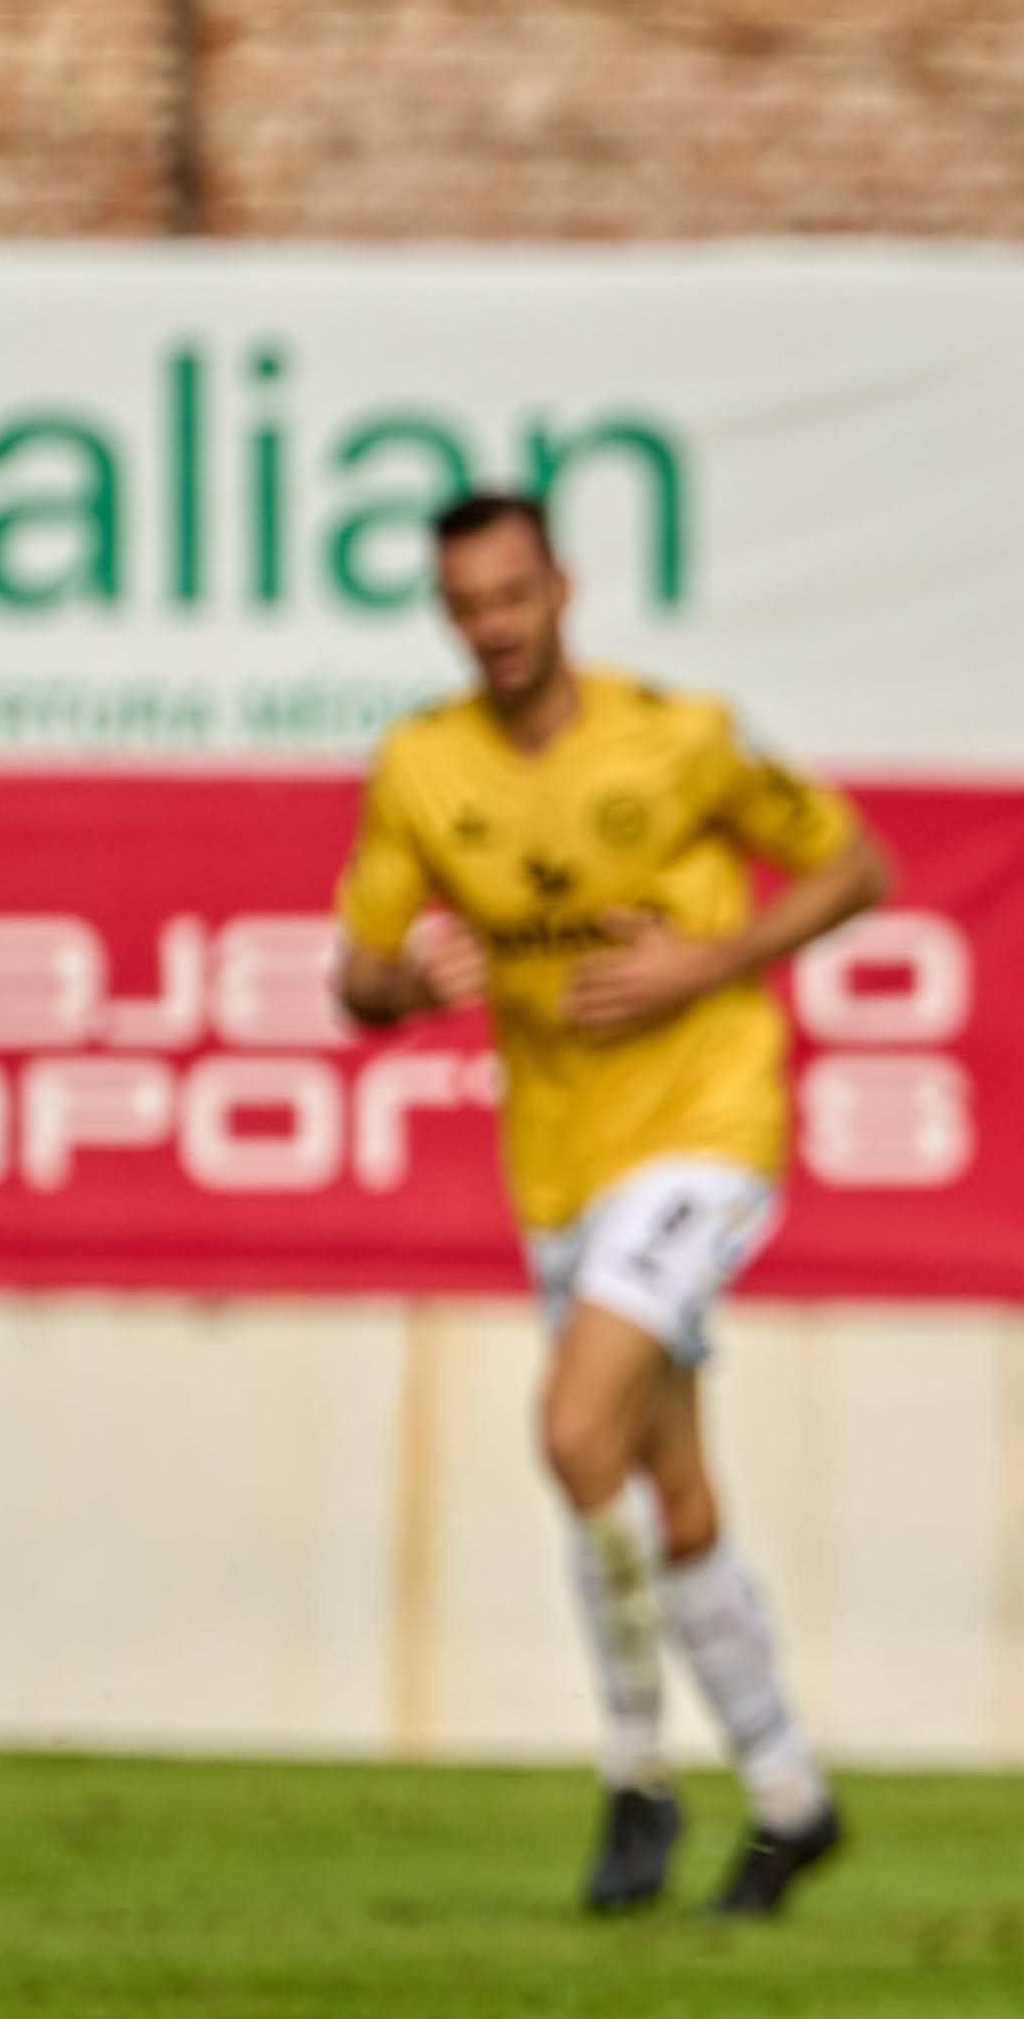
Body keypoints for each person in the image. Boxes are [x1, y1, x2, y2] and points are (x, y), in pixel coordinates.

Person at [334, 490, 892, 1917]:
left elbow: (853, 865)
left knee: (574, 1428)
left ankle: (638, 1773)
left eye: (513, 595)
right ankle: (789, 1796)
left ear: (562, 589)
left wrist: (711, 960)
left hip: (707, 1125)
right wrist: (408, 983)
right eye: (468, 605)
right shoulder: (422, 766)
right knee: (669, 1488)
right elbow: (358, 976)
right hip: (560, 1162)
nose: (495, 627)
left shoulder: (680, 734)